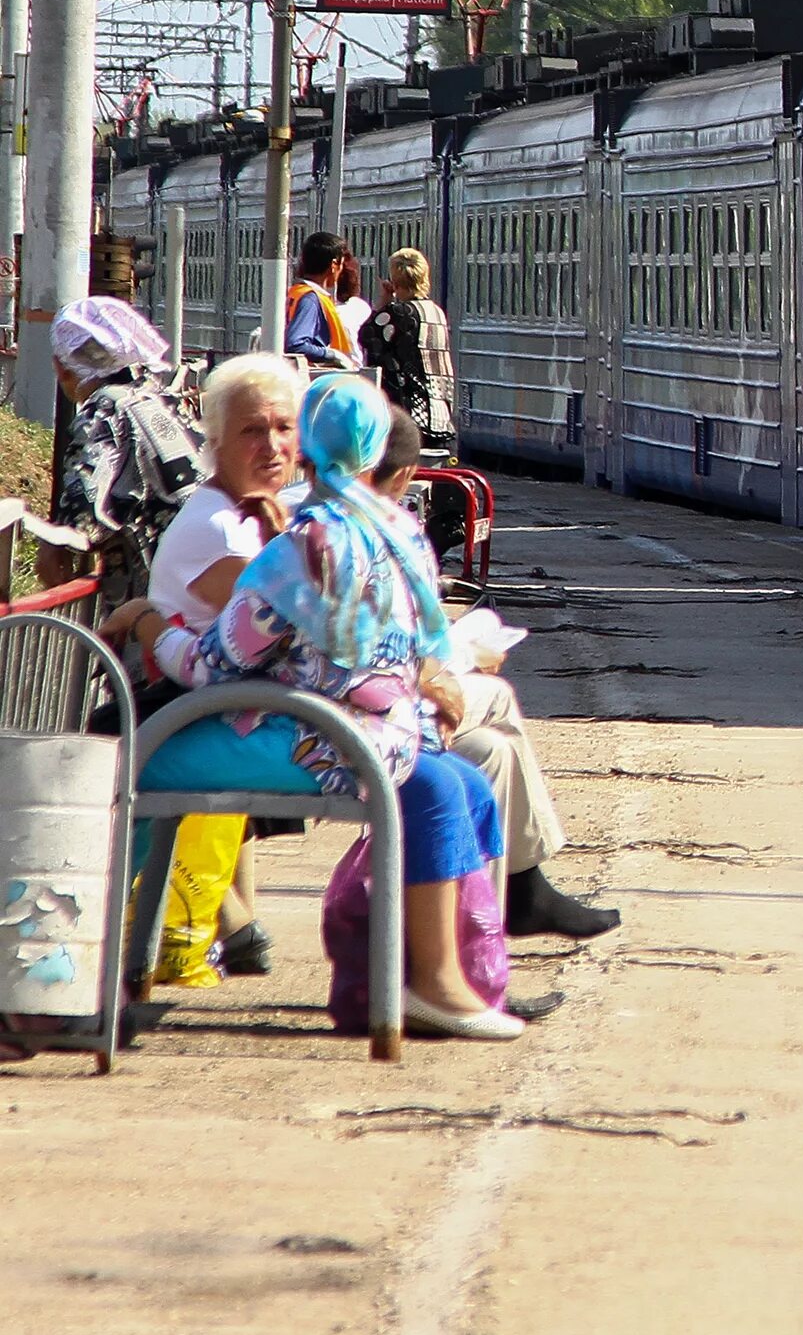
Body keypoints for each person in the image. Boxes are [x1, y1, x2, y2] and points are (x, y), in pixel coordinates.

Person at [119, 377, 526, 1040]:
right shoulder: (402, 534)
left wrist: (146, 627)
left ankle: (91, 957)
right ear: (375, 458)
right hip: (393, 733)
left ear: (306, 450)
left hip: (324, 741)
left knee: (132, 763)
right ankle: (451, 977)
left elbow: (214, 665)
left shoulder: (302, 550)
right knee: (459, 781)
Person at [363, 405, 616, 939]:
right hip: (340, 733)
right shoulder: (362, 535)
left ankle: (486, 943)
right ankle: (511, 904)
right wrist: (441, 677)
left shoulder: (301, 524)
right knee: (492, 699)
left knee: (491, 751)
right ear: (406, 476)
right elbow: (365, 653)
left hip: (348, 715)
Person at [104, 352, 305, 977]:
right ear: (213, 441)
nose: (271, 446)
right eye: (251, 430)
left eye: (283, 428)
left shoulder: (256, 513)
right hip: (193, 714)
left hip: (220, 709)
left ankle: (232, 924)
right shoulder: (215, 525)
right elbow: (292, 626)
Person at [43, 298, 201, 618]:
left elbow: (84, 515)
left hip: (155, 593)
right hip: (203, 567)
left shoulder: (104, 411)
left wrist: (52, 543)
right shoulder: (165, 398)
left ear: (61, 365)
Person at [359, 248, 459, 451]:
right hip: (439, 412)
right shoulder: (436, 312)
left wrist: (382, 304)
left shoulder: (399, 313)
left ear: (395, 282)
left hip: (411, 414)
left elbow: (367, 336)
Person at [284, 231, 360, 372]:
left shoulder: (296, 292)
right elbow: (296, 345)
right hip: (319, 380)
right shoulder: (311, 299)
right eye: (341, 264)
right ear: (333, 264)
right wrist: (332, 355)